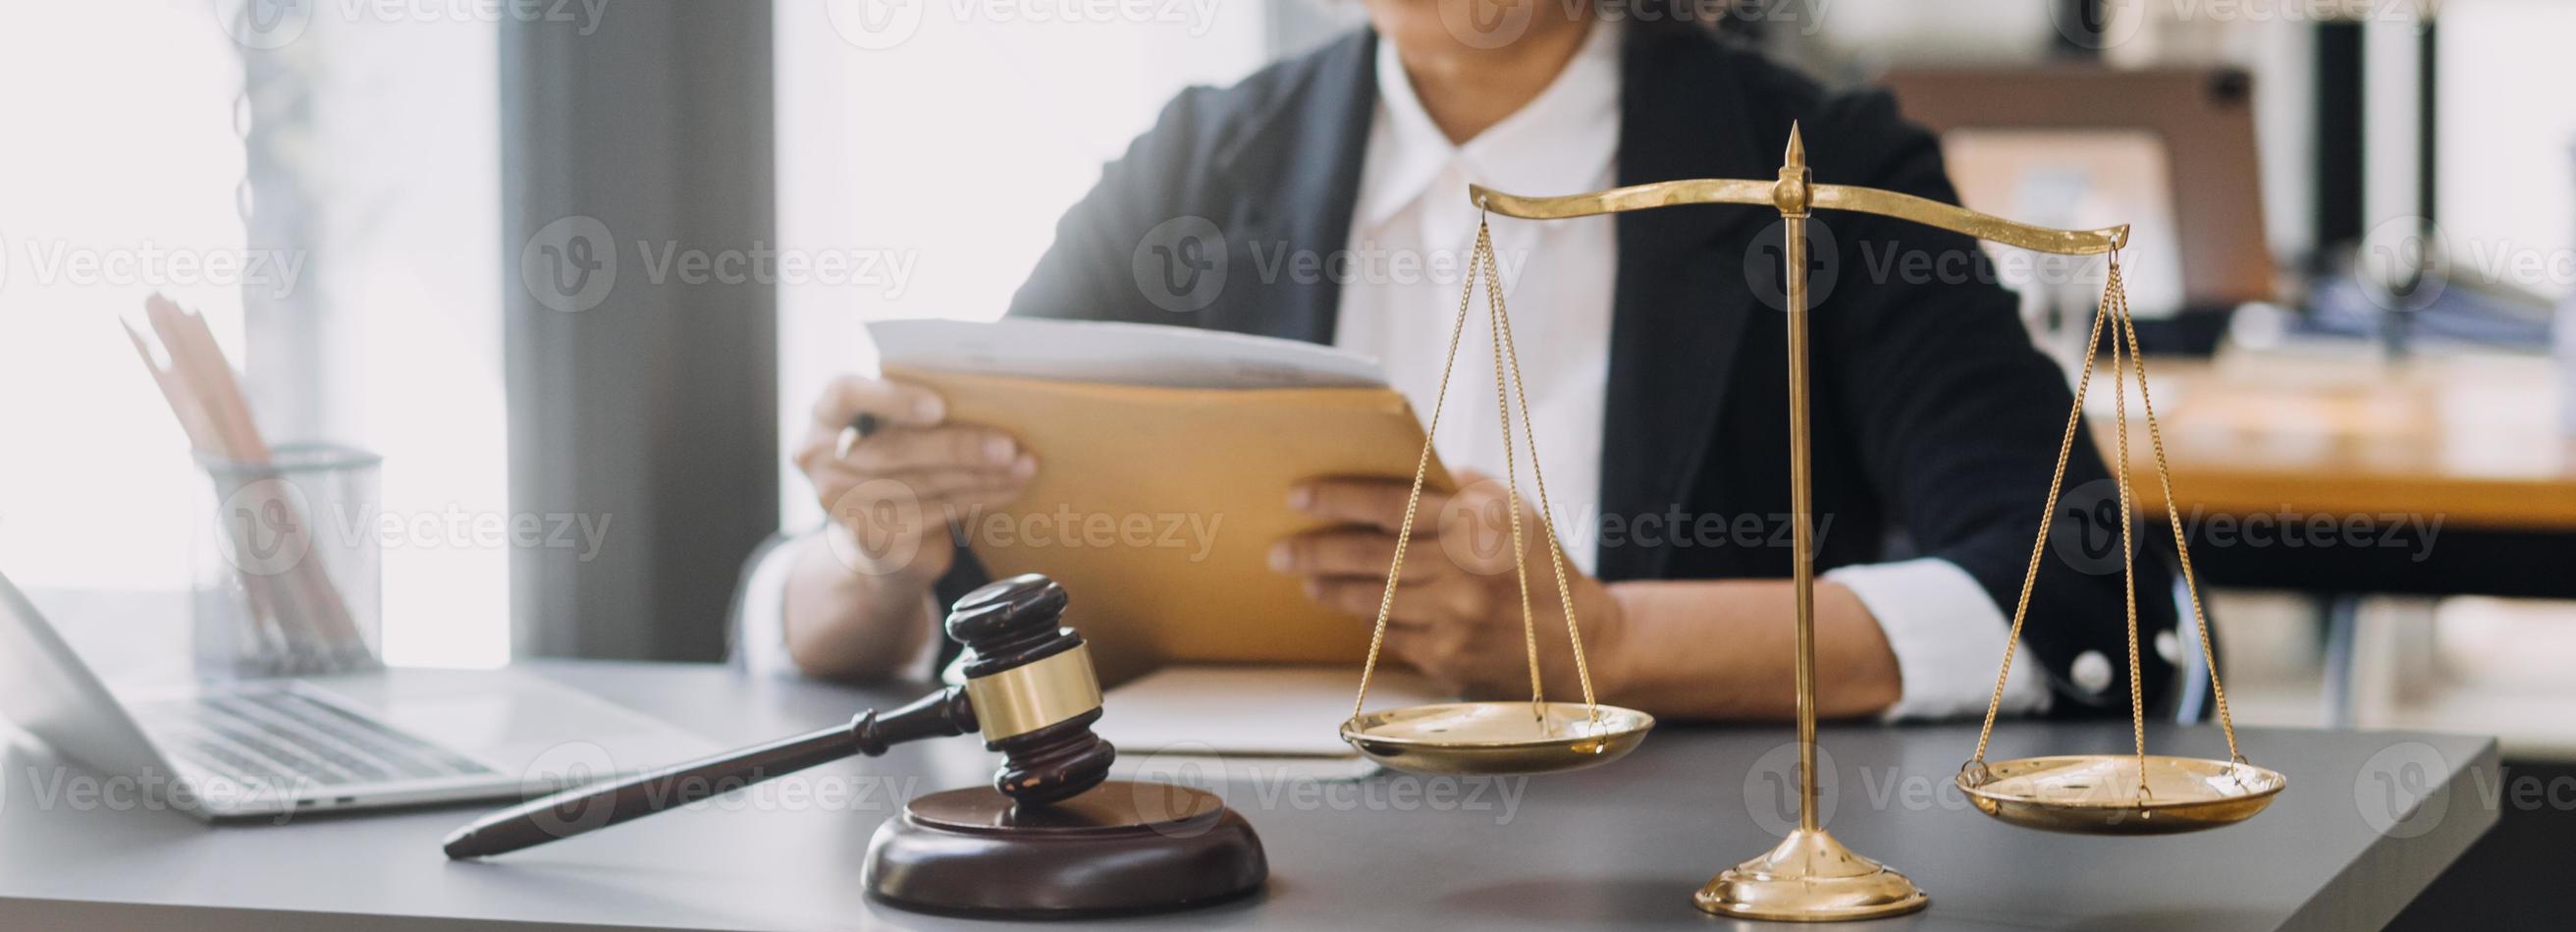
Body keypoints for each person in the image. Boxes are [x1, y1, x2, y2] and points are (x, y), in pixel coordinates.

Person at [751, 1, 2178, 721]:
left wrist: (1610, 646)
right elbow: (936, 583)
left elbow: (2081, 583)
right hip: (1243, 889)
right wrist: (870, 553)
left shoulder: (1822, 169)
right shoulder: (1199, 162)